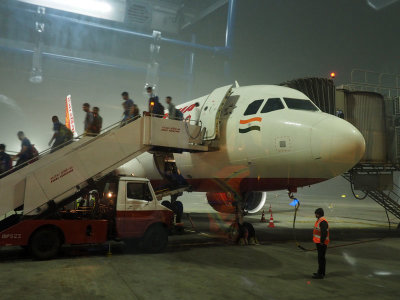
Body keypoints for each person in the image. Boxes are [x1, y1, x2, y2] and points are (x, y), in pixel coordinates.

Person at [312, 208, 329, 279]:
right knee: (321, 258)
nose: (315, 215)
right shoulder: (320, 220)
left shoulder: (322, 222)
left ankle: (320, 274)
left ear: (319, 214)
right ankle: (321, 272)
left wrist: (322, 242)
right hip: (319, 242)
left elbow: (324, 233)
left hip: (321, 243)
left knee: (321, 258)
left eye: (316, 214)